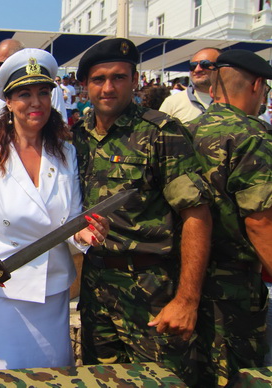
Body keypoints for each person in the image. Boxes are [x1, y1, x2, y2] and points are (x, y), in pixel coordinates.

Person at [0, 48, 108, 371]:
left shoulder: (66, 153)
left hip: (52, 288)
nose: (36, 102)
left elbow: (71, 219)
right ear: (8, 101)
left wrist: (85, 234)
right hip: (2, 286)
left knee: (53, 373)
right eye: (25, 94)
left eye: (43, 93)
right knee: (4, 375)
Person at [72, 38, 212, 387]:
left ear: (135, 81)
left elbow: (196, 215)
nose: (108, 87)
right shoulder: (77, 136)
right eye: (99, 79)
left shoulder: (161, 133)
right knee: (99, 380)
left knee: (162, 381)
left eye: (119, 77)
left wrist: (187, 300)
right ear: (85, 84)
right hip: (97, 287)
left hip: (152, 290)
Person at [188, 49, 272, 387]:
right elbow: (260, 222)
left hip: (184, 281)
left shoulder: (185, 130)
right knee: (235, 377)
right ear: (257, 85)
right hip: (233, 290)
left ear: (213, 88)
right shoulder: (254, 136)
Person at [159, 47, 221, 123]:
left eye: (205, 64)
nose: (197, 69)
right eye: (193, 65)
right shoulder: (172, 102)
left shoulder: (233, 101)